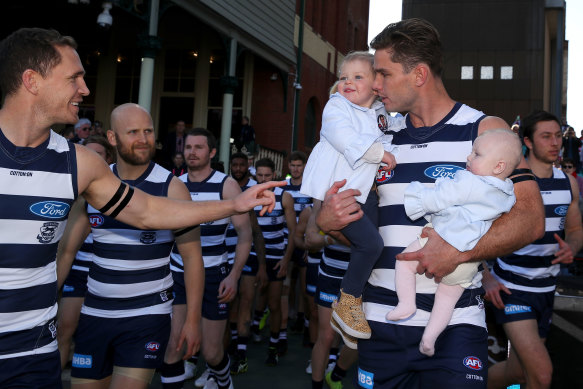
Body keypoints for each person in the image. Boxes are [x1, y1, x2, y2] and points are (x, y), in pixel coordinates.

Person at [0, 27, 280, 388]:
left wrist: (234, 203)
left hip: (34, 351)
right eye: (74, 78)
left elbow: (149, 212)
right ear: (32, 81)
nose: (84, 89)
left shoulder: (79, 163)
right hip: (89, 315)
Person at [315, 18, 544, 388]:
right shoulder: (377, 138)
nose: (375, 84)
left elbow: (530, 219)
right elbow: (319, 232)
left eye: (384, 74)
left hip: (455, 325)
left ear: (419, 74)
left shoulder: (484, 131)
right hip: (380, 324)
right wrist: (327, 222)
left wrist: (459, 251)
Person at [389, 129, 522, 357]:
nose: (469, 157)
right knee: (447, 299)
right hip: (468, 257)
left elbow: (443, 197)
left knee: (403, 264)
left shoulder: (470, 182)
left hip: (441, 236)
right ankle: (430, 338)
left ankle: (406, 303)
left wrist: (418, 197)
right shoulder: (507, 193)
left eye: (477, 154)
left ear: (498, 166)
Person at [301, 51, 401, 343]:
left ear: (376, 84)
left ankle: (352, 308)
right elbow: (344, 137)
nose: (348, 82)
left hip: (365, 191)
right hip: (342, 192)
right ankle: (347, 302)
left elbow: (393, 131)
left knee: (374, 246)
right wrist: (380, 154)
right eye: (344, 77)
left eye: (358, 77)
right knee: (371, 244)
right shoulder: (336, 107)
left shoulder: (381, 112)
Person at [484, 110, 583, 389]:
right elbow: (468, 233)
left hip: (546, 289)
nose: (555, 143)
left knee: (517, 374)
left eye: (558, 136)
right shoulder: (507, 183)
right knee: (541, 375)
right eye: (546, 136)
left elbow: (575, 231)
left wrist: (571, 247)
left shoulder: (568, 183)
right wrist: (486, 277)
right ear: (527, 141)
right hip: (512, 289)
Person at [163, 129, 249, 389]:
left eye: (199, 147)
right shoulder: (174, 184)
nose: (192, 152)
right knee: (174, 346)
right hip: (178, 273)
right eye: (188, 147)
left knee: (212, 353)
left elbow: (245, 234)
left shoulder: (227, 185)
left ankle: (224, 382)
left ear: (212, 152)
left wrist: (234, 276)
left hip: (215, 275)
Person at [56, 135, 116, 369]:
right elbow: (65, 249)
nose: (90, 159)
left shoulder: (119, 191)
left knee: (104, 340)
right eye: (86, 154)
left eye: (97, 154)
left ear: (107, 159)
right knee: (63, 330)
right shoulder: (70, 190)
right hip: (78, 272)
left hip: (108, 275)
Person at [225, 152, 268, 377]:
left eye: (243, 164)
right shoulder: (224, 189)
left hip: (248, 254)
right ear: (231, 166)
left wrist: (262, 265)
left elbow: (257, 233)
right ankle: (231, 350)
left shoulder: (252, 189)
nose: (239, 168)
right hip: (226, 255)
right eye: (235, 164)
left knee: (246, 302)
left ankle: (240, 355)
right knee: (229, 306)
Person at [254, 158, 297, 366]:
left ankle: (274, 347)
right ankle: (243, 343)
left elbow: (293, 231)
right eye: (259, 175)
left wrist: (286, 259)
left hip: (276, 256)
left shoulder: (284, 196)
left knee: (274, 302)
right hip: (253, 254)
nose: (263, 179)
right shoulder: (249, 195)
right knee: (247, 299)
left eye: (267, 176)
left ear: (274, 175)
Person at [280, 150, 313, 354]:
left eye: (299, 165)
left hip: (304, 241)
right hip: (285, 241)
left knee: (303, 284)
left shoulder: (310, 186)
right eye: (292, 165)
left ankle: (302, 317)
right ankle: (289, 316)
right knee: (286, 283)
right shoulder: (283, 188)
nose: (295, 168)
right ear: (288, 167)